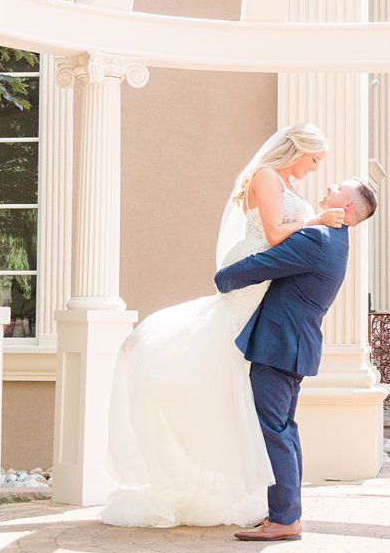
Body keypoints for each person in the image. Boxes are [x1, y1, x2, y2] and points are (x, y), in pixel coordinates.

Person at [100, 124, 345, 528]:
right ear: (298, 150)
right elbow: (272, 234)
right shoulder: (267, 177)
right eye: (314, 160)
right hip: (254, 273)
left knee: (245, 385)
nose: (314, 170)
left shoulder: (287, 183)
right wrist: (316, 220)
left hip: (269, 284)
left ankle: (271, 502)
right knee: (220, 354)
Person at [214, 178, 378, 542]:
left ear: (347, 206)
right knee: (284, 428)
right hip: (293, 345)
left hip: (280, 344)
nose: (330, 185)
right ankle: (287, 513)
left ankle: (285, 519)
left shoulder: (317, 238)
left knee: (274, 429)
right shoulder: (335, 241)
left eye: (338, 187)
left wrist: (223, 279)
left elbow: (263, 264)